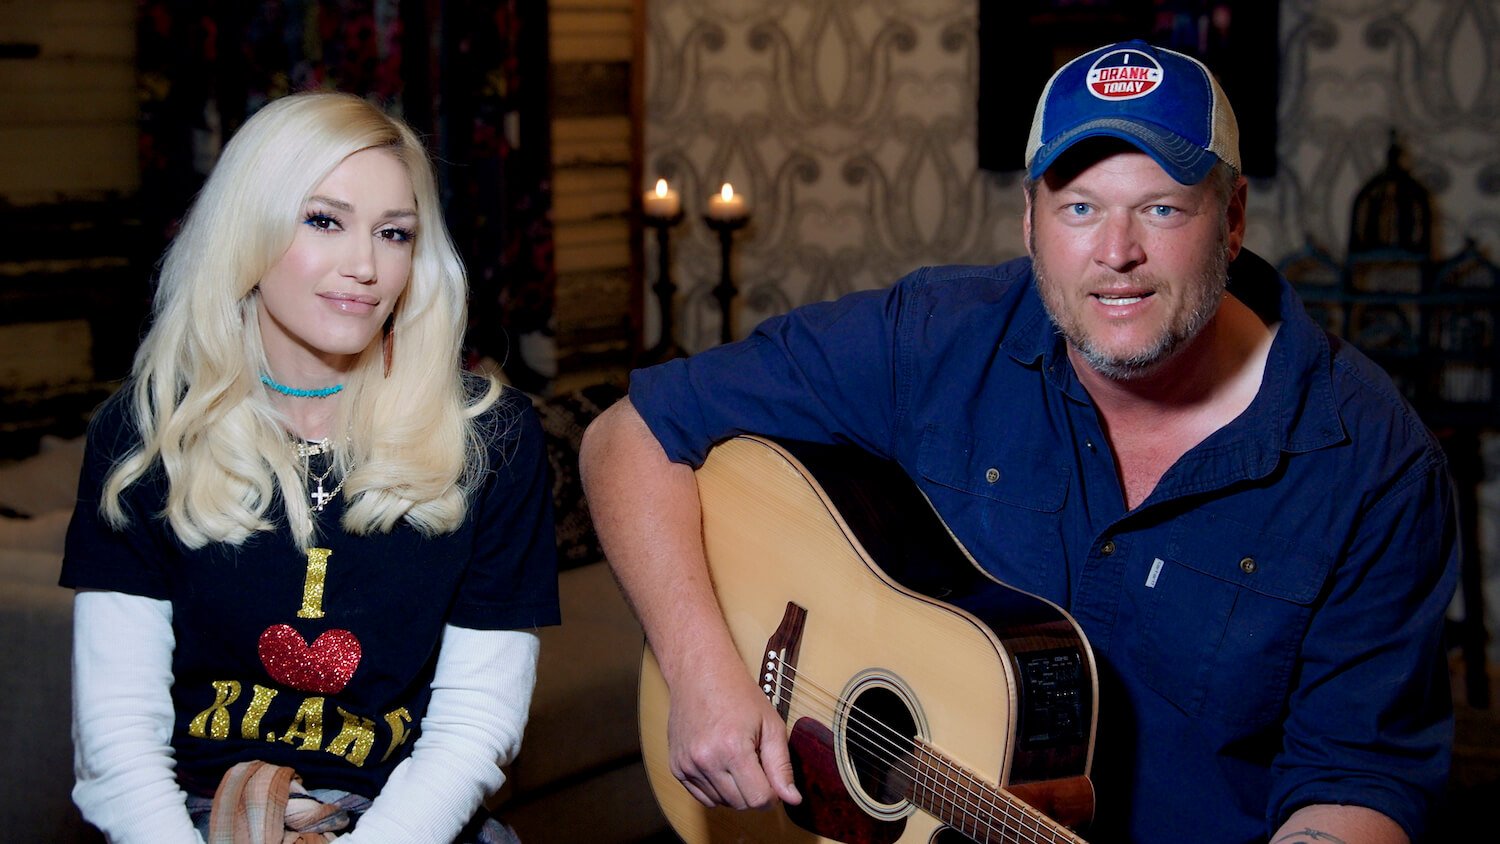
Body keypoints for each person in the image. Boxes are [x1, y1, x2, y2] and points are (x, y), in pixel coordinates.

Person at [579, 40, 1458, 842]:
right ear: (1029, 223)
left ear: (1230, 220)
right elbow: (630, 434)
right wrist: (701, 669)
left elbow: (1360, 779)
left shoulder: (1372, 460)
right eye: (1079, 207)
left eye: (1160, 208)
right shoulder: (936, 336)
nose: (1116, 253)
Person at [61, 91, 560, 843]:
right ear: (246, 231)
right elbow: (115, 745)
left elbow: (472, 729)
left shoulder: (491, 439)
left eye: (394, 234)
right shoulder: (144, 434)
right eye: (324, 220)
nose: (364, 265)